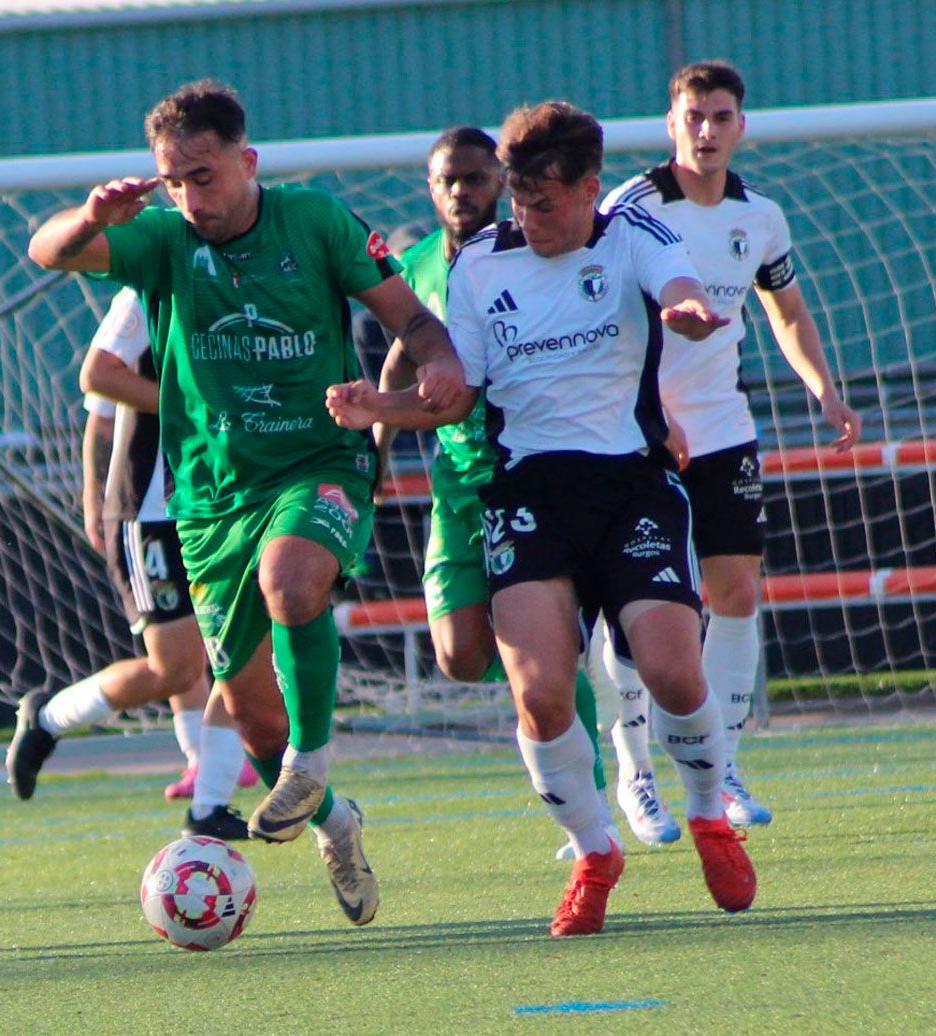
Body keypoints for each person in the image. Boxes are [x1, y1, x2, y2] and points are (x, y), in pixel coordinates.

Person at [28, 80, 465, 927]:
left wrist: (439, 360)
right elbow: (48, 253)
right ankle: (336, 820)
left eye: (206, 175)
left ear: (246, 160)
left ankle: (314, 756)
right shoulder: (156, 242)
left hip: (320, 460)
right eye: (176, 180)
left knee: (294, 583)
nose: (193, 195)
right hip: (210, 501)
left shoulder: (317, 223)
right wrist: (91, 217)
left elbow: (412, 320)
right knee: (255, 723)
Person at [328, 100, 757, 935]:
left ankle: (708, 812)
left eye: (546, 203)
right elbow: (455, 396)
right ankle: (595, 850)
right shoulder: (481, 264)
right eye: (518, 200)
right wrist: (379, 404)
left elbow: (676, 284)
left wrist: (682, 310)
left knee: (672, 672)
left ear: (591, 188)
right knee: (540, 696)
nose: (527, 217)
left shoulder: (634, 233)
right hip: (527, 496)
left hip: (633, 485)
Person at [596, 60, 863, 831]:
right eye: (693, 117)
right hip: (639, 435)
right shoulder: (633, 209)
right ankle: (636, 772)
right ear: (669, 122)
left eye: (720, 117)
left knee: (737, 592)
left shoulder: (762, 218)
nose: (706, 131)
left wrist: (824, 388)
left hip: (724, 428)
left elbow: (787, 313)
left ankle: (723, 763)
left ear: (740, 125)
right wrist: (650, 413)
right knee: (635, 607)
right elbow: (608, 324)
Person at [369, 127, 616, 855]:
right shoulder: (413, 268)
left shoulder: (525, 250)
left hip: (525, 476)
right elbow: (395, 365)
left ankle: (587, 800)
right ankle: (559, 671)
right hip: (456, 483)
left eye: (476, 180)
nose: (461, 194)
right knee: (458, 655)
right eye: (448, 181)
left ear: (499, 184)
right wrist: (377, 453)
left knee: (539, 661)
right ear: (431, 187)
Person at [5, 286, 257, 841]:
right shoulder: (144, 293)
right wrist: (96, 498)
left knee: (236, 646)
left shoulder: (256, 271)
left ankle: (207, 789)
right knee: (176, 666)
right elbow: (98, 398)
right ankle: (48, 718)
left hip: (228, 501)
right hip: (151, 510)